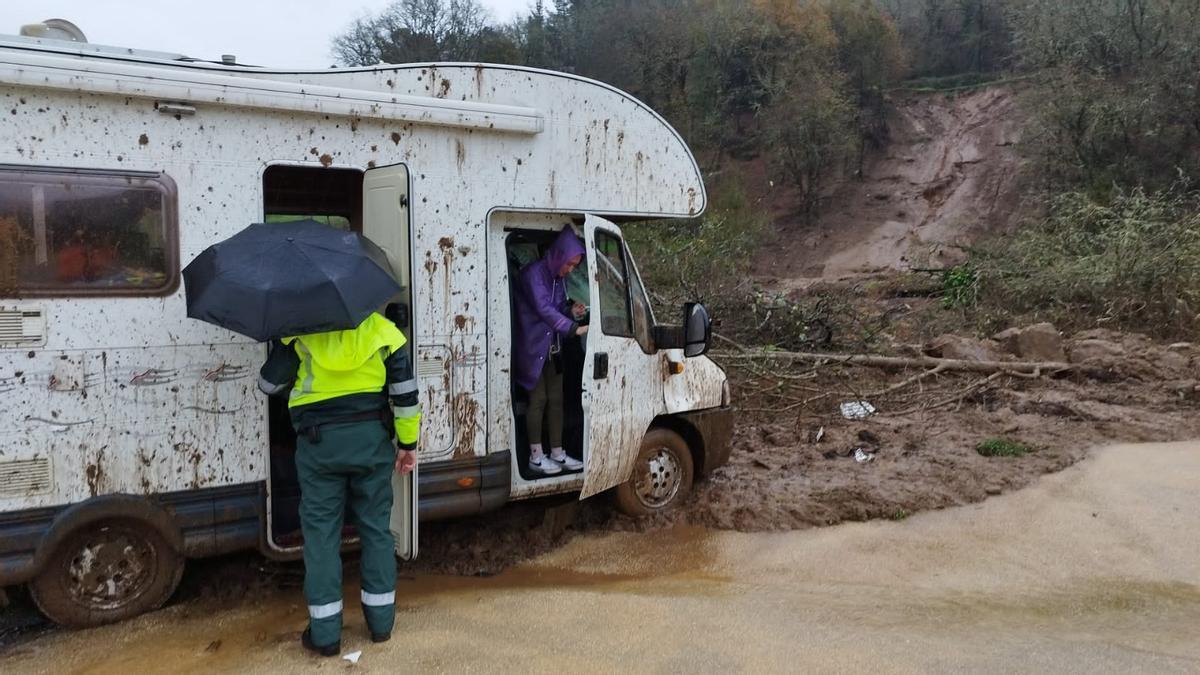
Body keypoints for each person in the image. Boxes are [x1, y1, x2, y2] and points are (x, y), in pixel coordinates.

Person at [258, 311, 421, 657]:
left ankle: (326, 635)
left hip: (319, 447)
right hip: (371, 442)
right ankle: (380, 626)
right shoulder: (385, 332)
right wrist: (408, 445)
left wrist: (285, 344)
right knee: (377, 530)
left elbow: (268, 385)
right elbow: (406, 396)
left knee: (320, 537)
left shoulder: (298, 332)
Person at [513, 226, 589, 476]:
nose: (570, 270)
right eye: (570, 264)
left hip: (552, 346)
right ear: (559, 256)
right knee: (539, 400)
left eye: (574, 266)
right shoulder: (533, 275)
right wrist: (573, 328)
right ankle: (536, 455)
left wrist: (571, 311)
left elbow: (556, 308)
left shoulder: (558, 279)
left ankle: (557, 451)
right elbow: (543, 309)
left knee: (557, 399)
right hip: (533, 348)